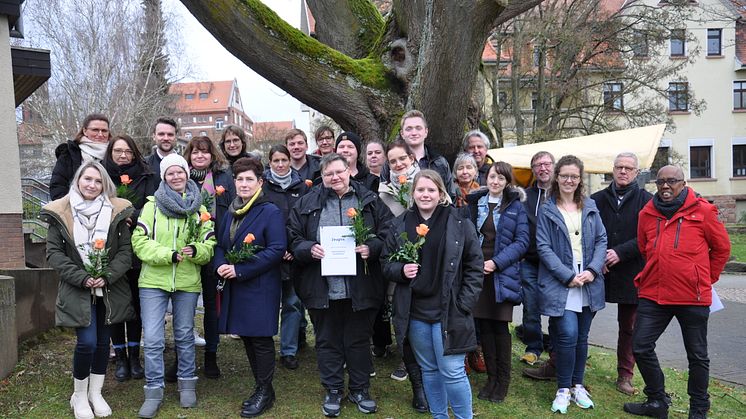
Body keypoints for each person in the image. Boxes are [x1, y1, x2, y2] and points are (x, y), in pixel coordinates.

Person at [288, 153, 392, 417]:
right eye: (328, 174)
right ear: (321, 177)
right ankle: (333, 389)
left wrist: (373, 247)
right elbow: (292, 237)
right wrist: (308, 248)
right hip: (321, 287)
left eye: (339, 172)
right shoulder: (307, 203)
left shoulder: (369, 201)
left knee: (358, 341)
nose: (335, 177)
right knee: (327, 341)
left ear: (349, 171)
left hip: (362, 285)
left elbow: (389, 231)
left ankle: (360, 389)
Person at [623, 165, 731, 419]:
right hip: (654, 293)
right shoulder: (647, 213)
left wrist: (702, 278)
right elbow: (643, 246)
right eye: (660, 182)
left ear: (683, 183)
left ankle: (699, 408)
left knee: (697, 355)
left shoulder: (703, 211)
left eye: (671, 181)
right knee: (640, 346)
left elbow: (722, 249)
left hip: (691, 297)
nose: (665, 186)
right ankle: (657, 401)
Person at [381, 169, 483, 419]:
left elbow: (475, 265)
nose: (425, 194)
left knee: (452, 370)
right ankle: (439, 416)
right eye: (420, 189)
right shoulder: (399, 225)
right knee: (429, 370)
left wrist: (464, 303)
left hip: (450, 310)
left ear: (441, 193)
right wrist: (401, 270)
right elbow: (385, 263)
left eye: (431, 190)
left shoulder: (458, 223)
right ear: (412, 193)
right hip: (415, 312)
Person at [41, 161, 134, 419]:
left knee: (104, 343)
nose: (92, 185)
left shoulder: (117, 212)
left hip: (109, 289)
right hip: (78, 289)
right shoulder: (61, 212)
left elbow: (125, 253)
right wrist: (82, 277)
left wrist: (107, 275)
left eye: (97, 181)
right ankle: (79, 396)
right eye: (87, 179)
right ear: (78, 181)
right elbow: (54, 254)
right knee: (87, 343)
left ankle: (96, 392)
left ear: (104, 184)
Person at [132, 153, 216, 417]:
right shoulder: (151, 206)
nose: (176, 176)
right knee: (154, 339)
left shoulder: (199, 208)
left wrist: (197, 250)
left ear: (186, 174)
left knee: (184, 335)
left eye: (180, 171)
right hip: (153, 281)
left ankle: (187, 384)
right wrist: (166, 255)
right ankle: (154, 390)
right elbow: (139, 241)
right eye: (170, 173)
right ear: (164, 177)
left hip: (186, 281)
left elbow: (210, 243)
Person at [214, 157, 286, 418]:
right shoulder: (232, 210)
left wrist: (241, 269)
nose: (244, 184)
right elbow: (221, 244)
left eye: (249, 179)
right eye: (240, 179)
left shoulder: (270, 211)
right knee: (246, 335)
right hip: (237, 286)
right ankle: (262, 386)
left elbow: (277, 249)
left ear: (260, 183)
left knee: (260, 338)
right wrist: (220, 264)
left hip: (259, 285)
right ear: (234, 182)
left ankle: (265, 390)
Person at [536, 155, 607, 414]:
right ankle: (563, 388)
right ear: (556, 177)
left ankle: (578, 385)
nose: (569, 180)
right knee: (567, 333)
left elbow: (601, 240)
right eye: (564, 175)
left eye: (574, 176)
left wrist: (592, 270)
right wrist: (567, 275)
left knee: (582, 336)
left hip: (588, 280)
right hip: (562, 280)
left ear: (580, 179)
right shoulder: (547, 209)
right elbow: (543, 247)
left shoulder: (590, 206)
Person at [464, 161, 529, 403]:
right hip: (477, 273)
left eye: (501, 178)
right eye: (492, 176)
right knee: (484, 328)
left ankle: (503, 382)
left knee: (500, 328)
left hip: (502, 275)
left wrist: (496, 263)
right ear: (486, 177)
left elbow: (522, 242)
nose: (495, 182)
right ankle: (491, 379)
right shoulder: (474, 203)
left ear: (507, 182)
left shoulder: (515, 206)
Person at [590, 152, 652, 396]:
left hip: (631, 272)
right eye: (619, 167)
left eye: (628, 168)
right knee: (579, 318)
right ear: (612, 170)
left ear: (637, 172)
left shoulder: (647, 201)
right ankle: (560, 363)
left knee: (629, 327)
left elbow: (649, 236)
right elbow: (588, 232)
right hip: (599, 270)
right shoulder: (596, 199)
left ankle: (625, 374)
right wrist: (598, 258)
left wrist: (620, 252)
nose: (623, 171)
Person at [375, 139, 428, 413]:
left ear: (411, 157)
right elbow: (383, 228)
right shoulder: (383, 192)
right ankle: (407, 365)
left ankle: (429, 376)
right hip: (399, 263)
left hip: (429, 265)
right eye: (392, 161)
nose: (398, 164)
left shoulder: (426, 183)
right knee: (402, 314)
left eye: (402, 159)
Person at [103, 134, 159, 382]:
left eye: (128, 151)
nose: (123, 155)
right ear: (110, 153)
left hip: (138, 247)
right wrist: (115, 217)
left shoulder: (147, 176)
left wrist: (130, 215)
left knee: (136, 304)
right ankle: (121, 358)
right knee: (116, 304)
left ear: (135, 153)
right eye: (118, 151)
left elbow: (152, 205)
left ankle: (135, 357)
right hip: (110, 247)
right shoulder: (101, 175)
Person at [182, 136, 236, 379]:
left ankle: (211, 356)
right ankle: (183, 357)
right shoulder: (180, 177)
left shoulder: (224, 178)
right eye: (195, 152)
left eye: (204, 152)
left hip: (215, 248)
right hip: (188, 249)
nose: (200, 156)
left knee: (212, 306)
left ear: (212, 155)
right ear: (189, 155)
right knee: (186, 306)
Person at [261, 145, 309, 370]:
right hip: (269, 255)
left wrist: (292, 248)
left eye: (284, 160)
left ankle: (288, 350)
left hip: (293, 255)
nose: (280, 165)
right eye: (276, 160)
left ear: (290, 161)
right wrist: (276, 249)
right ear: (269, 162)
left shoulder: (302, 187)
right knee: (268, 304)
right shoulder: (262, 188)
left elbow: (303, 222)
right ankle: (266, 347)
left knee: (292, 304)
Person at [521, 151, 556, 374]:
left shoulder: (564, 194)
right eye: (537, 165)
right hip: (530, 261)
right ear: (533, 170)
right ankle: (534, 346)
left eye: (546, 164)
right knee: (530, 305)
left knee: (555, 306)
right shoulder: (525, 195)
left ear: (554, 166)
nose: (542, 168)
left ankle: (555, 348)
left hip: (554, 263)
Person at [380, 110, 455, 198]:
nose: (414, 133)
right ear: (402, 134)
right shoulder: (391, 164)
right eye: (409, 129)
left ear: (426, 132)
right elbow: (383, 196)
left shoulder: (439, 163)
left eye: (418, 128)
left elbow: (450, 196)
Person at [50, 113, 112, 200]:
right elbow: (58, 185)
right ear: (85, 131)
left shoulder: (114, 153)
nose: (100, 134)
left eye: (104, 131)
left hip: (107, 208)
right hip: (73, 208)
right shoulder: (69, 153)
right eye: (95, 130)